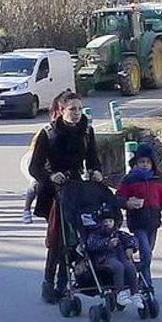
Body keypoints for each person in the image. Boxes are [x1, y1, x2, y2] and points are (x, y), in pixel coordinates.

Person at [28, 90, 110, 301]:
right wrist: (51, 176)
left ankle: (65, 283)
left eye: (79, 109)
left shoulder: (86, 131)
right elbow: (35, 167)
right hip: (54, 192)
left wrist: (96, 171)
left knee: (76, 238)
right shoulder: (48, 133)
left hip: (77, 189)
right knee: (58, 240)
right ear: (61, 110)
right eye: (72, 109)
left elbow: (92, 159)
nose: (77, 113)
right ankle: (49, 282)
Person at [116, 143, 162, 294]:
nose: (144, 165)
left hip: (153, 223)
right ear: (136, 163)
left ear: (152, 163)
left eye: (147, 162)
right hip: (137, 222)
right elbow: (118, 198)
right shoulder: (130, 179)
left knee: (148, 252)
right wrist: (128, 203)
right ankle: (146, 283)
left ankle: (139, 278)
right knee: (146, 252)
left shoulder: (158, 179)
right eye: (141, 162)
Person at [81, 205, 140, 308]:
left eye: (110, 221)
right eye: (105, 221)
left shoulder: (118, 233)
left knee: (130, 267)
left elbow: (132, 239)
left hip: (120, 257)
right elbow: (92, 245)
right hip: (103, 259)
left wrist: (130, 247)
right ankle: (120, 293)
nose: (108, 223)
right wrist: (107, 243)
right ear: (100, 223)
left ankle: (135, 293)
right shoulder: (95, 234)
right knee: (118, 267)